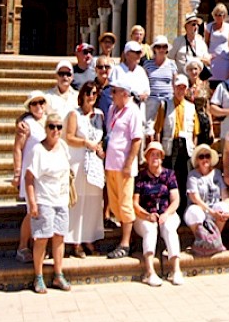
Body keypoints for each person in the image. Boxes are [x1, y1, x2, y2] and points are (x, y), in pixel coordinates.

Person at [24, 112, 72, 294]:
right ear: (46, 128)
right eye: (52, 126)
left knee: (59, 237)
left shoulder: (64, 147)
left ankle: (58, 274)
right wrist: (32, 203)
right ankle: (38, 276)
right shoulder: (38, 150)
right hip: (44, 199)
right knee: (42, 238)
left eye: (59, 127)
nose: (56, 130)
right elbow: (29, 178)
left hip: (61, 199)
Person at [133, 141, 184, 286]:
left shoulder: (169, 175)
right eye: (152, 154)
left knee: (169, 228)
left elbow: (176, 200)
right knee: (150, 229)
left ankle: (176, 270)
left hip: (167, 213)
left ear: (162, 158)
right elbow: (135, 203)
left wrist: (166, 214)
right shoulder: (141, 176)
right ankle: (150, 272)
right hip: (145, 215)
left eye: (157, 155)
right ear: (147, 158)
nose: (155, 157)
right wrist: (147, 215)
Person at [64, 81, 105, 258]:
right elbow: (69, 137)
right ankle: (76, 242)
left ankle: (89, 238)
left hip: (95, 163)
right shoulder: (74, 114)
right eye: (88, 93)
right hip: (79, 161)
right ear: (82, 95)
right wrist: (85, 143)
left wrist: (100, 148)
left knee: (93, 202)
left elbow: (101, 137)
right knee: (78, 201)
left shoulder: (100, 115)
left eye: (94, 93)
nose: (91, 96)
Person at [103, 80, 142, 259]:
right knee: (114, 204)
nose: (111, 94)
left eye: (115, 91)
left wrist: (128, 163)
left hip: (124, 166)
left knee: (125, 203)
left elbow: (137, 139)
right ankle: (127, 238)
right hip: (111, 163)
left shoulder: (133, 111)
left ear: (124, 93)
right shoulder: (112, 109)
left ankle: (125, 243)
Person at [153, 74, 199, 213]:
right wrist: (158, 149)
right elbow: (158, 129)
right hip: (170, 145)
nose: (180, 91)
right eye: (178, 87)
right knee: (169, 177)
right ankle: (168, 208)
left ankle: (183, 209)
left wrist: (193, 148)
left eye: (183, 88)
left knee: (184, 177)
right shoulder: (165, 105)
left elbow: (195, 132)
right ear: (174, 88)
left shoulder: (191, 107)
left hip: (185, 146)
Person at [12, 91, 48, 263]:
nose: (38, 106)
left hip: (47, 174)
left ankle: (37, 246)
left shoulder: (49, 121)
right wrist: (17, 172)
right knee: (31, 211)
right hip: (30, 175)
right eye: (34, 103)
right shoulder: (26, 124)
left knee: (43, 209)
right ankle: (22, 246)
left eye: (41, 102)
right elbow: (17, 148)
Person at [183, 143, 229, 255]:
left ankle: (214, 241)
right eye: (201, 157)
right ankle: (202, 242)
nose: (205, 159)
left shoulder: (217, 173)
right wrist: (211, 212)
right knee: (194, 211)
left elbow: (225, 195)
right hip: (201, 210)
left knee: (223, 207)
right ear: (197, 160)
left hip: (214, 210)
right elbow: (195, 198)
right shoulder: (192, 175)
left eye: (207, 156)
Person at [143, 35, 178, 139]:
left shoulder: (172, 64)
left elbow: (175, 82)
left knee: (169, 125)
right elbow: (144, 81)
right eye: (159, 47)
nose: (161, 49)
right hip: (152, 98)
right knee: (148, 127)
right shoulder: (147, 64)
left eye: (164, 47)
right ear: (154, 49)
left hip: (168, 98)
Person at [110, 41, 151, 107]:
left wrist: (143, 96)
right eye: (136, 52)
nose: (139, 55)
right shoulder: (117, 70)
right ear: (127, 54)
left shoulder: (141, 70)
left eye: (140, 52)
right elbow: (113, 91)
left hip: (139, 108)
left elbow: (147, 90)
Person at [184, 59, 213, 145]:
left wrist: (211, 128)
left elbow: (207, 109)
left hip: (203, 121)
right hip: (189, 120)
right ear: (187, 71)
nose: (193, 72)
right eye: (191, 69)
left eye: (195, 69)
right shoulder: (184, 86)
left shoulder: (205, 85)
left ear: (200, 70)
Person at [204, 3, 229, 88]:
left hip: (224, 60)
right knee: (211, 83)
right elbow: (206, 43)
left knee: (224, 84)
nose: (217, 17)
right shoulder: (209, 27)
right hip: (213, 60)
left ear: (224, 15)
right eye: (215, 15)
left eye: (219, 15)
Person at [93, 56, 114, 123]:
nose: (104, 69)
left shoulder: (115, 88)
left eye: (107, 67)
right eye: (100, 67)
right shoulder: (90, 87)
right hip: (94, 125)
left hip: (110, 125)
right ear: (95, 69)